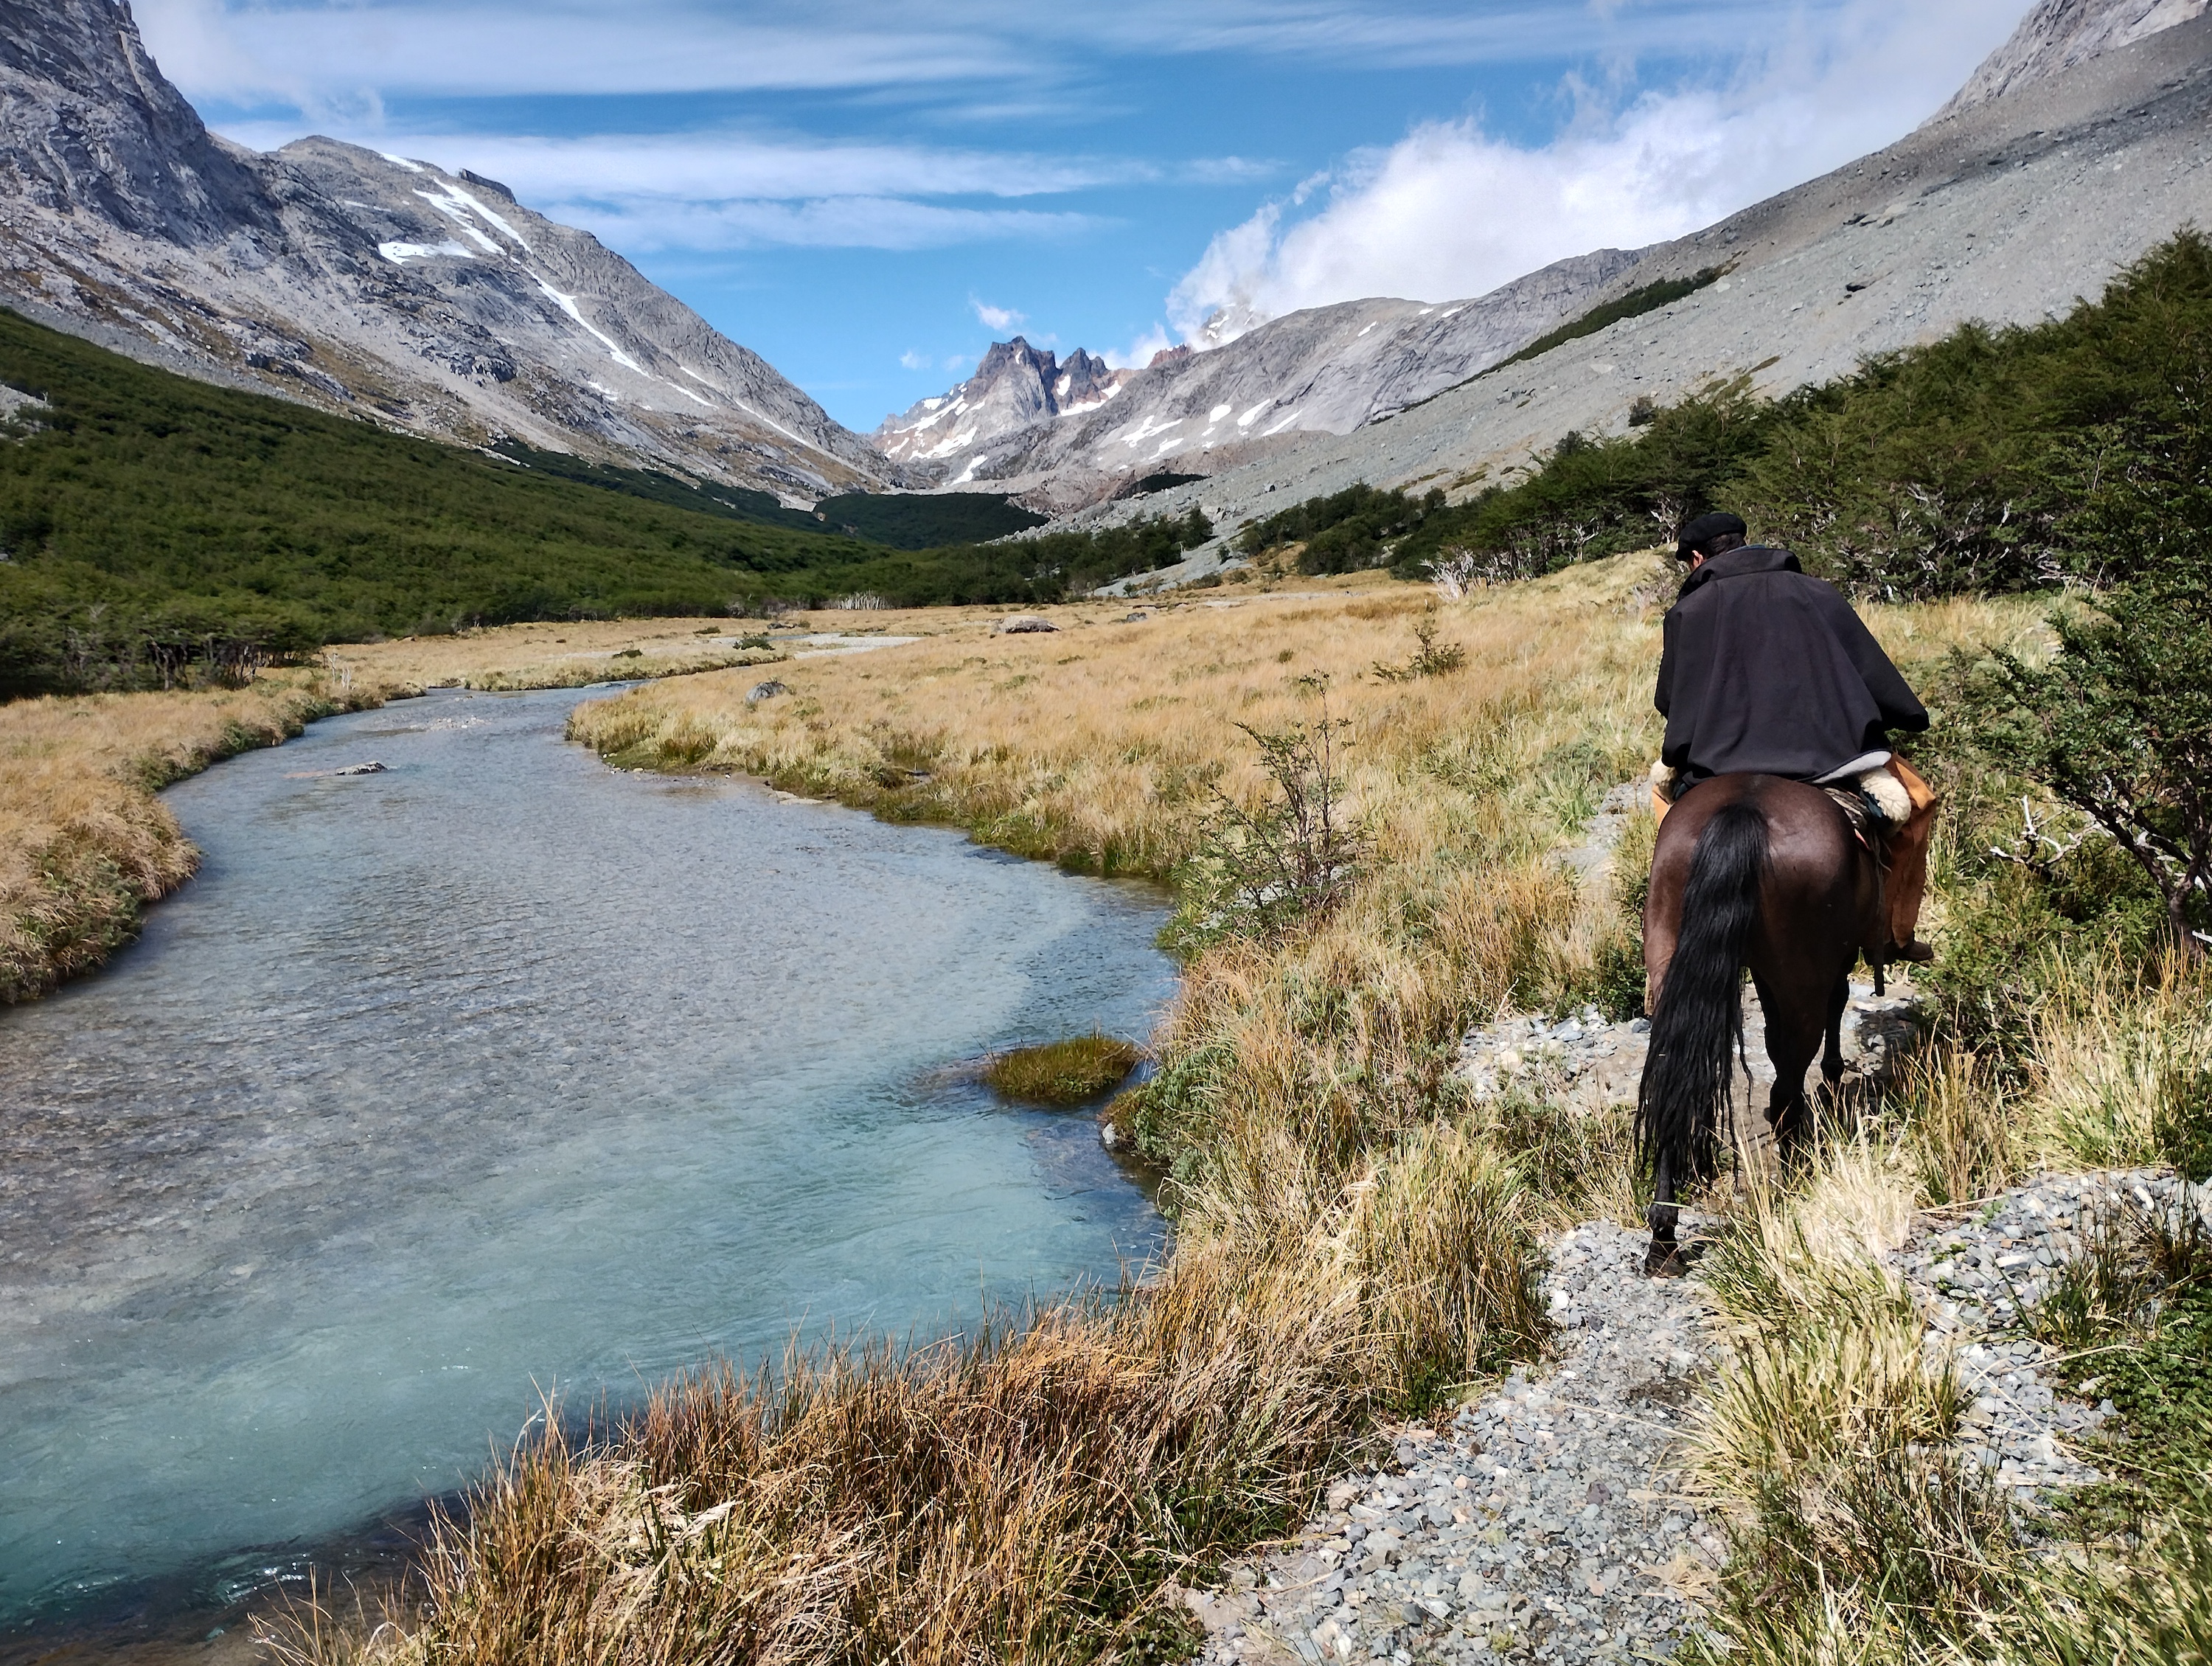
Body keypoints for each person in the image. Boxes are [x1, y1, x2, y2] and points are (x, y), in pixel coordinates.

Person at [1651, 510, 1939, 964]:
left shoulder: (1689, 610)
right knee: (1916, 804)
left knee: (1666, 808)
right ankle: (1893, 936)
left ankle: (1674, 933)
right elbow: (1871, 670)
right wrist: (1904, 715)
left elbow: (1669, 701)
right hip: (1828, 755)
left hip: (1718, 759)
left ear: (1699, 558)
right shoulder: (1818, 592)